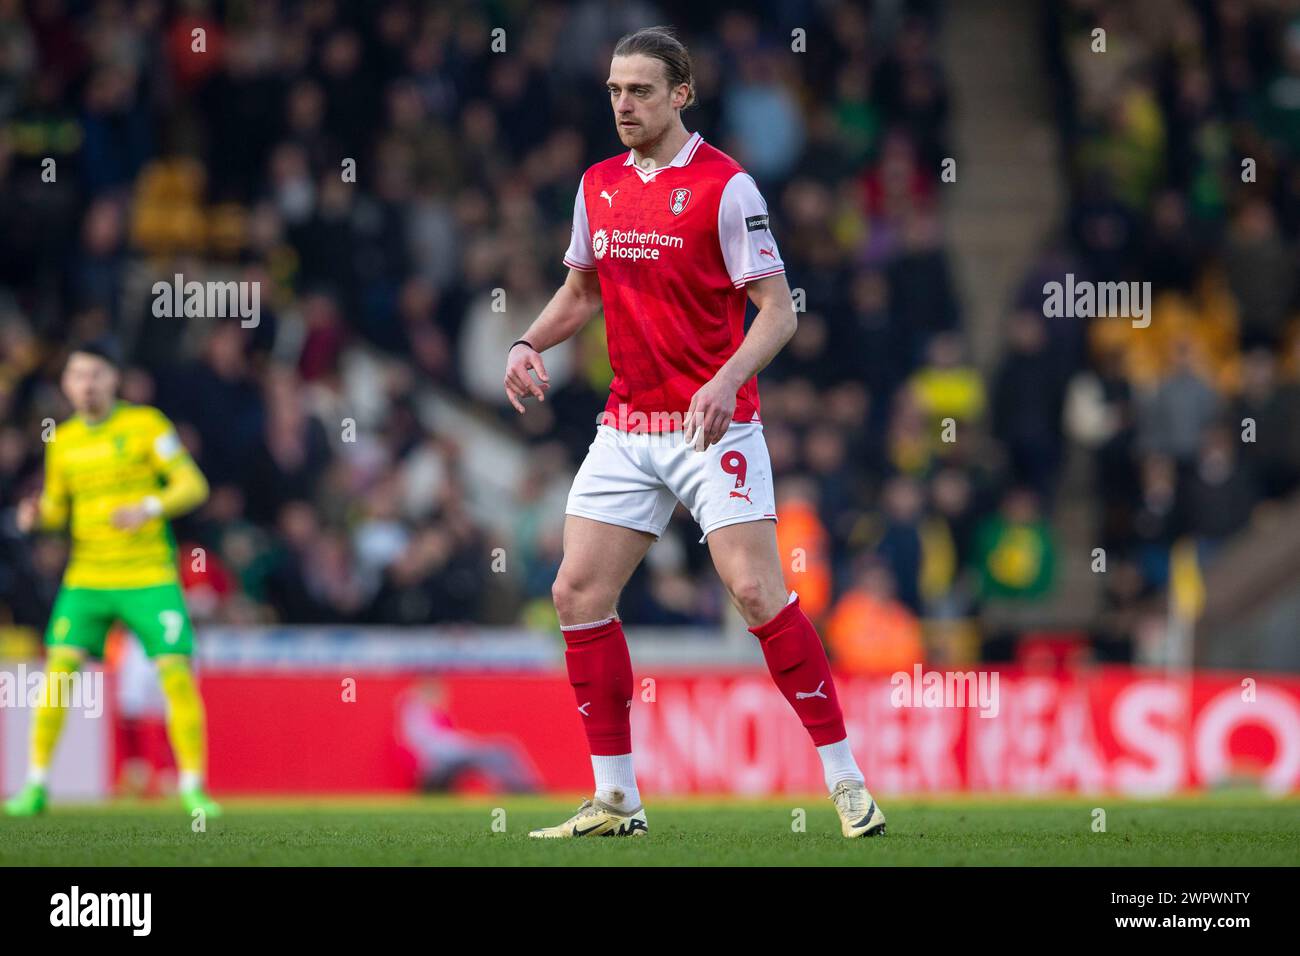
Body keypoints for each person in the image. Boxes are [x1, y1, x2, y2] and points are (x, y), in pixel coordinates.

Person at [504, 27, 885, 839]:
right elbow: (581, 293)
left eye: (640, 90)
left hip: (716, 425)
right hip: (628, 422)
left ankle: (847, 780)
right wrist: (529, 342)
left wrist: (726, 378)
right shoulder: (597, 185)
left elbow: (778, 311)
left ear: (682, 94)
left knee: (755, 592)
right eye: (613, 90)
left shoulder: (727, 187)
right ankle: (615, 799)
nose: (623, 105)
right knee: (576, 593)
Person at [4, 338, 220, 818]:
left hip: (148, 575)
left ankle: (191, 787)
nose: (87, 385)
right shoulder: (62, 441)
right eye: (78, 376)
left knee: (176, 676)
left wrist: (147, 506)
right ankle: (36, 785)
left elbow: (193, 484)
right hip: (88, 577)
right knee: (57, 673)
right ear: (66, 385)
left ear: (114, 380)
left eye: (96, 374)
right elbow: (61, 507)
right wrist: (37, 514)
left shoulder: (146, 426)